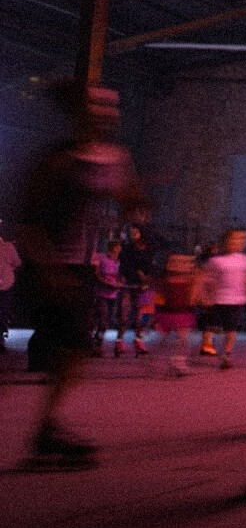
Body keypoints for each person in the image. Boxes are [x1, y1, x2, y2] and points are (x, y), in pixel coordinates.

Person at [13, 81, 149, 466]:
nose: (109, 113)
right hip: (53, 266)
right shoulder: (56, 161)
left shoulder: (115, 158)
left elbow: (131, 202)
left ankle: (47, 428)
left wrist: (137, 204)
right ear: (80, 113)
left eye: (114, 106)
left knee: (73, 352)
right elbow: (30, 222)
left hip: (82, 267)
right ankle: (46, 430)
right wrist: (49, 270)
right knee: (68, 349)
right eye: (100, 105)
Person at [198, 229, 246, 370]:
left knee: (231, 329)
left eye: (241, 240)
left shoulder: (245, 261)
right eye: (233, 239)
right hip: (217, 300)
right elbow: (205, 279)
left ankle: (226, 355)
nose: (237, 242)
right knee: (212, 327)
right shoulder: (216, 261)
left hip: (236, 301)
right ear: (225, 241)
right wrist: (204, 296)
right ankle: (208, 345)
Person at [153, 252, 200, 377]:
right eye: (175, 262)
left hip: (183, 312)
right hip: (167, 312)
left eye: (185, 263)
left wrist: (196, 297)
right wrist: (156, 311)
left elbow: (194, 295)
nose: (180, 265)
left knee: (184, 339)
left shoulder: (191, 280)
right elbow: (158, 295)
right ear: (168, 264)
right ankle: (158, 358)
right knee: (163, 340)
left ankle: (179, 361)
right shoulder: (164, 280)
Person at [117, 225, 156, 355]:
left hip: (141, 286)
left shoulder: (146, 250)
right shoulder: (126, 249)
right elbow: (123, 266)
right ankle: (119, 341)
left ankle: (138, 340)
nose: (133, 234)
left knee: (140, 316)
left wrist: (145, 280)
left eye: (136, 232)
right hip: (128, 284)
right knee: (124, 314)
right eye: (131, 232)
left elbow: (149, 267)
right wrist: (127, 276)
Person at [92, 240, 123, 354]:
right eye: (117, 246)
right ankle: (97, 344)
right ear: (112, 248)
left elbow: (120, 277)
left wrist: (119, 283)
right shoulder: (103, 260)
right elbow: (97, 275)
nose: (119, 249)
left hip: (113, 295)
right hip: (102, 294)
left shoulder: (118, 263)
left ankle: (98, 340)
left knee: (108, 321)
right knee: (103, 321)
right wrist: (106, 283)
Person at [0, 223, 19, 356]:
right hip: (6, 284)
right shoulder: (8, 247)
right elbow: (17, 262)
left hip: (6, 284)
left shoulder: (7, 246)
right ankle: (0, 338)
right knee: (3, 312)